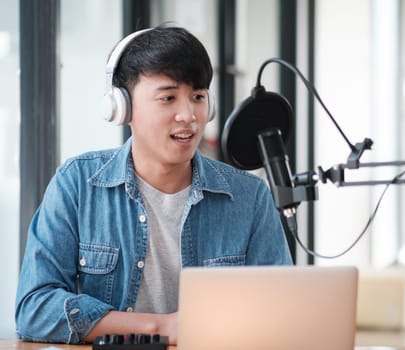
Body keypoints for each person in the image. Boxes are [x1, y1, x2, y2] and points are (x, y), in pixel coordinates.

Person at [15, 25, 292, 345]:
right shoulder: (77, 183)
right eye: (168, 98)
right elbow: (34, 310)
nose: (188, 115)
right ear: (121, 107)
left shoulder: (249, 196)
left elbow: (278, 315)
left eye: (198, 97)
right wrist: (160, 327)